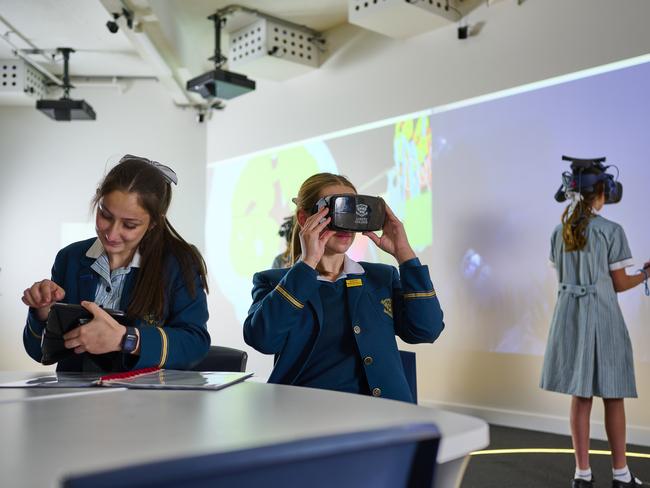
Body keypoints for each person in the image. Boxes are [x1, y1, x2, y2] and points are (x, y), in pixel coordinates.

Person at [243, 173, 444, 403]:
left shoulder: (381, 277)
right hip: (304, 418)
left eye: (352, 210)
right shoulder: (274, 281)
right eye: (333, 211)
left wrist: (404, 254)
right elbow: (263, 340)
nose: (345, 222)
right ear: (303, 218)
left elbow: (427, 330)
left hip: (385, 418)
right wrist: (307, 264)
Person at [22, 155, 211, 372]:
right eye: (105, 215)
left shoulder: (179, 264)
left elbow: (195, 344)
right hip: (74, 399)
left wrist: (126, 339)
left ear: (153, 223)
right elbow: (38, 352)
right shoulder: (69, 258)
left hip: (148, 401)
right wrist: (43, 312)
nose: (112, 234)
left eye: (129, 225)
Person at [540, 161, 649, 488]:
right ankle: (620, 474)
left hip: (569, 318)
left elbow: (562, 275)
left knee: (581, 395)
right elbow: (617, 283)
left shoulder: (559, 232)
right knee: (613, 394)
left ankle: (582, 474)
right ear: (600, 193)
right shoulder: (611, 231)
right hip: (601, 317)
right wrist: (645, 274)